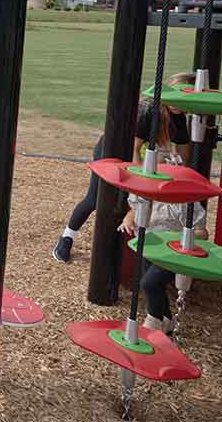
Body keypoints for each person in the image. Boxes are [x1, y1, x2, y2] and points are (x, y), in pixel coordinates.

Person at [52, 73, 194, 263]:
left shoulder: (178, 117)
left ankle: (116, 251)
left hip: (131, 156)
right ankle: (66, 238)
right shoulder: (148, 109)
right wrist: (140, 181)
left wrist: (181, 171)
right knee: (95, 199)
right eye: (176, 97)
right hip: (109, 151)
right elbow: (133, 148)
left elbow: (184, 154)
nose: (178, 105)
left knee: (125, 203)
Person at [118, 194, 207, 332]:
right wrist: (128, 220)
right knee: (155, 285)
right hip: (149, 247)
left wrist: (183, 238)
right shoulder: (145, 196)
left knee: (149, 283)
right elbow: (134, 210)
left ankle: (153, 321)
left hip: (173, 255)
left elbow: (202, 233)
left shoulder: (185, 203)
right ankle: (166, 320)